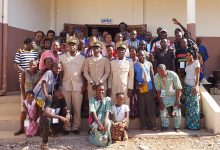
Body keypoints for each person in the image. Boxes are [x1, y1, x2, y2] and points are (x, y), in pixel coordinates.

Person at [59, 36, 85, 134]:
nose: (72, 47)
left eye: (74, 45)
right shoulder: (62, 57)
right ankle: (67, 126)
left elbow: (83, 73)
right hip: (65, 85)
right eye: (70, 45)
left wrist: (84, 86)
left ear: (77, 46)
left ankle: (76, 127)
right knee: (67, 108)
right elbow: (60, 72)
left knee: (77, 108)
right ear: (67, 46)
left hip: (78, 86)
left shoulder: (82, 58)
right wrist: (60, 85)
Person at [14, 60, 42, 136]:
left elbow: (40, 85)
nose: (33, 66)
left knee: (38, 111)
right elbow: (22, 86)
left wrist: (38, 97)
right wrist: (24, 97)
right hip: (26, 95)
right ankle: (22, 129)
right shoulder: (24, 73)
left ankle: (37, 129)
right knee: (24, 112)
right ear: (29, 65)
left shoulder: (39, 74)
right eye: (31, 65)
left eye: (34, 65)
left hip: (36, 95)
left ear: (37, 65)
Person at [40, 85, 71, 150]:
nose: (62, 94)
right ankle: (44, 143)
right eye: (60, 92)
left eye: (63, 92)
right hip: (46, 121)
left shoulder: (62, 99)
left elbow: (66, 109)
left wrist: (68, 114)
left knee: (70, 116)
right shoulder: (49, 98)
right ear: (55, 91)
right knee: (47, 119)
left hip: (55, 121)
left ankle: (53, 130)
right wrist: (60, 117)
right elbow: (46, 113)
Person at [154, 64, 182, 132]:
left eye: (162, 71)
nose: (160, 73)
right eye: (159, 72)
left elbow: (178, 88)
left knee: (176, 110)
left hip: (174, 95)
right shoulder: (157, 77)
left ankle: (177, 126)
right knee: (163, 110)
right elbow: (158, 90)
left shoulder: (173, 75)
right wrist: (160, 102)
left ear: (166, 70)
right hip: (164, 96)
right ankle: (165, 125)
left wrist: (177, 101)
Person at [134, 50, 157, 130]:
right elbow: (133, 78)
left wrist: (154, 88)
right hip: (140, 88)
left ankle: (153, 125)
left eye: (143, 55)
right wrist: (137, 84)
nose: (141, 57)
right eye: (140, 55)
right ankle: (143, 125)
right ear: (137, 56)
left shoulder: (149, 64)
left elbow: (152, 76)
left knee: (150, 107)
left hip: (149, 87)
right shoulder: (135, 65)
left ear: (145, 56)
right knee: (142, 107)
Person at [108, 41, 134, 105]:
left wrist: (130, 88)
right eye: (119, 50)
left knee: (125, 104)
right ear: (116, 51)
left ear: (125, 51)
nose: (121, 52)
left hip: (124, 88)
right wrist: (109, 87)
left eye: (123, 50)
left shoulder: (129, 62)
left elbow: (131, 76)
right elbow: (110, 76)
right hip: (114, 87)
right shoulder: (112, 62)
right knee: (113, 104)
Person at [184, 49, 200, 130]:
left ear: (192, 55)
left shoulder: (196, 62)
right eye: (186, 55)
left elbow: (197, 75)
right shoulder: (187, 63)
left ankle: (195, 125)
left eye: (188, 55)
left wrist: (196, 86)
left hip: (192, 85)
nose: (187, 56)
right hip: (187, 85)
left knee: (194, 106)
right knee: (188, 106)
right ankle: (189, 125)